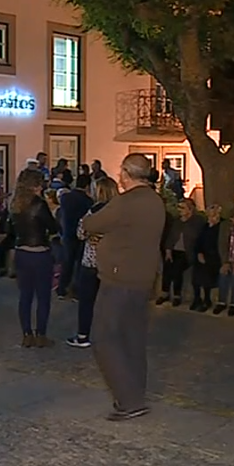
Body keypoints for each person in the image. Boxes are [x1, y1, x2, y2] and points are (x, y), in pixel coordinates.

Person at [83, 153, 165, 421]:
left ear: (127, 174)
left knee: (103, 337)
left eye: (121, 172)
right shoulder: (155, 200)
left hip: (119, 279)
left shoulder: (126, 202)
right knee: (133, 338)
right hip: (143, 279)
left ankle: (128, 400)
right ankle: (136, 394)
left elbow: (91, 223)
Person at [7, 169, 60, 347]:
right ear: (36, 184)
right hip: (40, 252)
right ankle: (41, 335)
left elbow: (10, 230)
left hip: (22, 252)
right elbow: (53, 228)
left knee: (25, 296)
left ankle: (26, 334)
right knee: (43, 296)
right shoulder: (38, 204)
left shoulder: (14, 203)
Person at [66, 176, 119, 348]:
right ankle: (110, 336)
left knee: (87, 301)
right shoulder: (120, 212)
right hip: (112, 262)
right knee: (110, 302)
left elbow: (81, 233)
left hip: (91, 262)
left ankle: (83, 335)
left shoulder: (94, 212)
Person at [158, 199, 205, 307]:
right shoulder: (177, 221)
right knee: (167, 265)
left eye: (182, 208)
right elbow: (170, 237)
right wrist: (168, 250)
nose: (179, 210)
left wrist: (186, 221)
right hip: (174, 250)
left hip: (188, 252)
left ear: (190, 209)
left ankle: (177, 295)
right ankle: (165, 292)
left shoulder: (197, 221)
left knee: (177, 267)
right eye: (179, 207)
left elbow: (194, 236)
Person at [56, 175, 93, 301]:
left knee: (67, 262)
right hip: (80, 235)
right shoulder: (88, 201)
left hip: (67, 233)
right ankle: (76, 292)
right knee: (79, 265)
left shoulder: (65, 198)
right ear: (87, 186)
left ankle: (61, 288)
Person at [191, 204, 222, 312]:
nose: (211, 218)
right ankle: (197, 298)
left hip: (214, 256)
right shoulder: (205, 226)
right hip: (202, 254)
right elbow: (198, 241)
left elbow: (219, 244)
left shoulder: (221, 227)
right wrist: (199, 252)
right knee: (196, 273)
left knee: (206, 273)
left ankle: (207, 299)